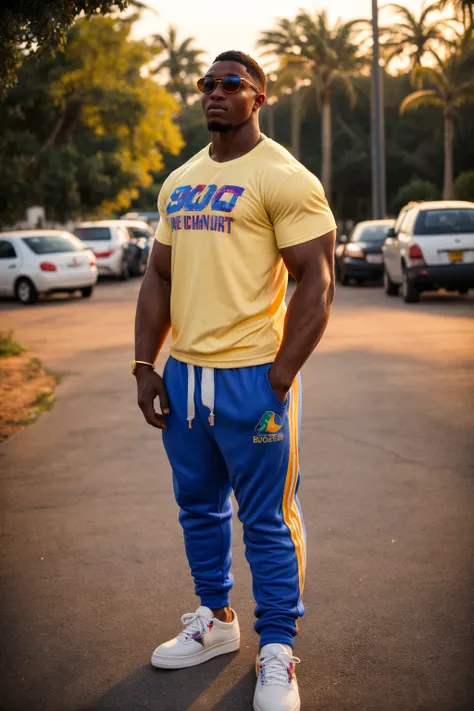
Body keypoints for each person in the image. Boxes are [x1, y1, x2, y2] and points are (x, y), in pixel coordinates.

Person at [134, 50, 336, 711]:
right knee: (197, 506)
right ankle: (217, 621)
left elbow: (318, 278)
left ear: (258, 97)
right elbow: (159, 276)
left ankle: (277, 648)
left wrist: (279, 375)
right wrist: (146, 365)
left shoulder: (283, 175)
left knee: (268, 519)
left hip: (254, 377)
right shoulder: (182, 180)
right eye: (207, 85)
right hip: (188, 376)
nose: (214, 94)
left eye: (230, 84)